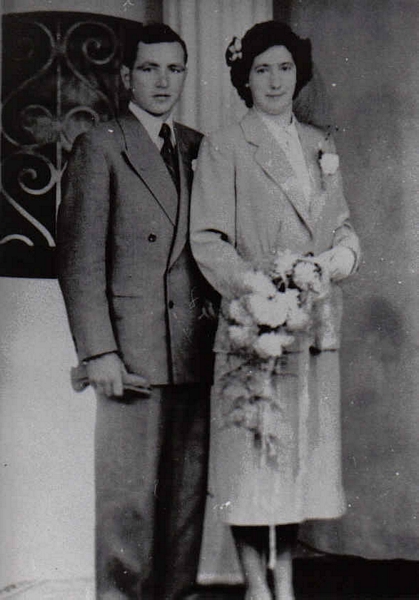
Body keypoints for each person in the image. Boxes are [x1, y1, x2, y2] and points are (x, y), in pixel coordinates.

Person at [190, 21, 360, 600]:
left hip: (313, 326)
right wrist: (261, 289)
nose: (274, 80)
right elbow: (209, 240)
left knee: (293, 464)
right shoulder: (225, 144)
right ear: (245, 77)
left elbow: (341, 226)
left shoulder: (319, 144)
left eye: (284, 67)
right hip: (255, 325)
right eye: (261, 69)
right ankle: (254, 585)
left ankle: (282, 581)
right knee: (249, 459)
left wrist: (339, 258)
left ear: (298, 73)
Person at [57, 22, 217, 600]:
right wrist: (98, 351)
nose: (162, 81)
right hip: (130, 353)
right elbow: (79, 259)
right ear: (126, 76)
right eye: (149, 69)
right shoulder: (100, 144)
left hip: (193, 350)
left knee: (185, 502)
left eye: (174, 69)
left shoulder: (200, 147)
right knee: (128, 503)